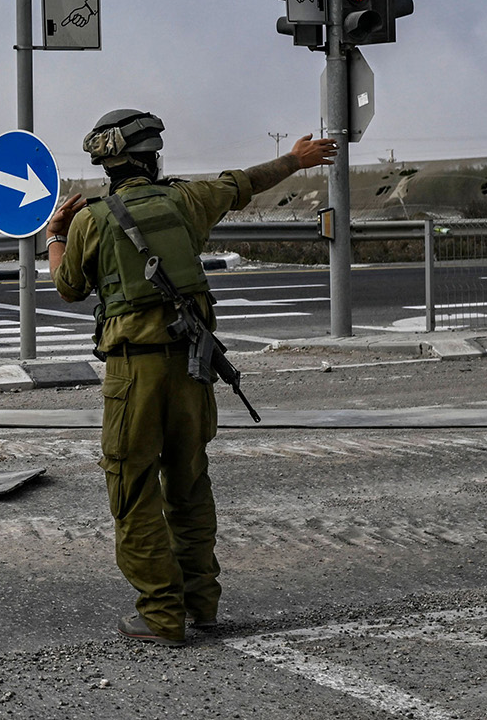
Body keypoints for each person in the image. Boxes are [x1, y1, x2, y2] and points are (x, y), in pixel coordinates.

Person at [43, 107, 335, 648]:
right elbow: (244, 183)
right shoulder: (187, 200)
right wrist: (296, 159)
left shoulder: (91, 220)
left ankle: (160, 615)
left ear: (106, 164)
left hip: (135, 375)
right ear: (152, 156)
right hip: (193, 370)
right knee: (189, 487)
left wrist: (55, 234)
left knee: (134, 492)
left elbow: (67, 287)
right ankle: (201, 606)